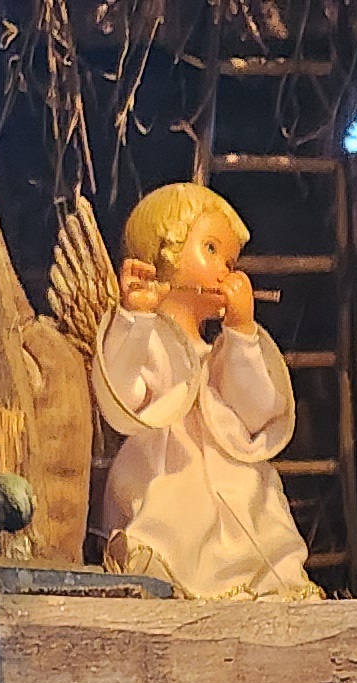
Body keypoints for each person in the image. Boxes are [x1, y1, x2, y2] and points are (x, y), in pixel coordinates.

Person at [93, 180, 320, 600]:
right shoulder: (147, 340)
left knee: (255, 505)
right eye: (211, 250)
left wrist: (242, 333)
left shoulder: (223, 353)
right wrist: (135, 320)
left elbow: (257, 412)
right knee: (173, 523)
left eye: (231, 261)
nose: (225, 271)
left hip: (234, 480)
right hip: (166, 475)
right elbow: (122, 397)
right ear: (166, 250)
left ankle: (262, 581)